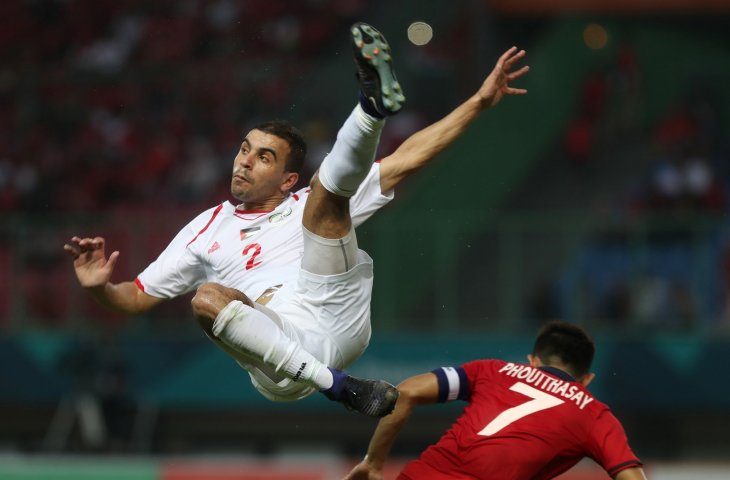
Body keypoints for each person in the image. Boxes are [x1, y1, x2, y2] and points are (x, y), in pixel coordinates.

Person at [63, 24, 530, 417]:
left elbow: (406, 159)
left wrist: (479, 103)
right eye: (244, 149)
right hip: (279, 355)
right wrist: (97, 287)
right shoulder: (204, 229)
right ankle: (340, 386)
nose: (244, 162)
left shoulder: (304, 200)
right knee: (205, 299)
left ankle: (371, 108)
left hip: (334, 308)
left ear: (287, 179)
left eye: (262, 157)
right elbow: (135, 298)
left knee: (329, 196)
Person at [345, 320, 647, 480]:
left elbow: (406, 392)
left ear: (532, 361)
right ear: (587, 380)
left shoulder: (493, 369)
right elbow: (630, 475)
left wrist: (374, 463)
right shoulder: (594, 413)